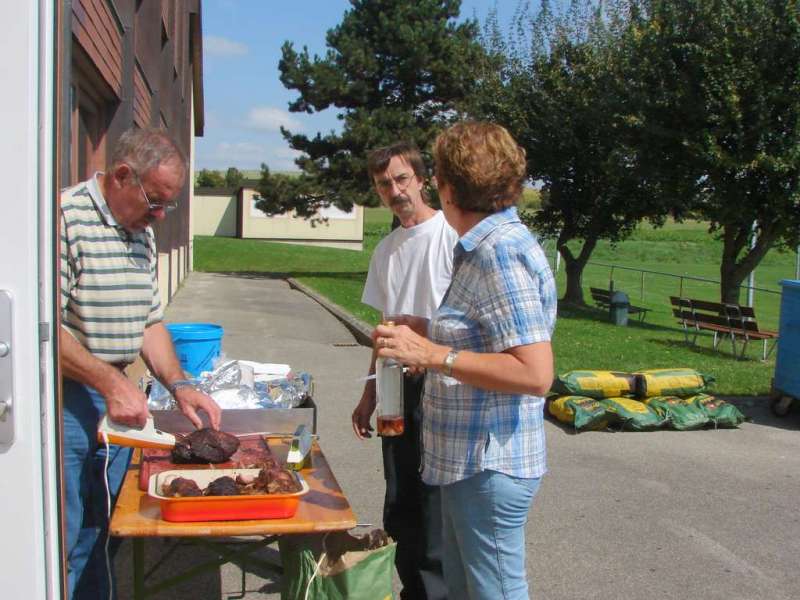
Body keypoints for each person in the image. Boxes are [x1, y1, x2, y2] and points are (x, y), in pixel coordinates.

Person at [373, 121, 557, 600]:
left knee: (494, 591)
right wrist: (426, 328)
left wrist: (434, 353)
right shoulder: (479, 247)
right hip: (463, 463)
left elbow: (535, 373)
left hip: (489, 466)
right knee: (459, 589)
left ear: (451, 187)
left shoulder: (500, 252)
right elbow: (491, 336)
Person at [60, 128, 222, 599]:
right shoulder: (63, 217)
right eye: (154, 201)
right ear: (122, 176)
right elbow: (42, 326)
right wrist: (109, 382)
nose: (159, 215)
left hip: (118, 395)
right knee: (65, 529)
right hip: (69, 394)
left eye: (166, 204)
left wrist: (180, 385)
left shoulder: (140, 234)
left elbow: (151, 323)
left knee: (106, 525)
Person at [351, 141, 458, 599]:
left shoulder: (450, 236)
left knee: (434, 497)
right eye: (383, 184)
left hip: (440, 383)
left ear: (422, 179)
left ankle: (436, 592)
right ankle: (411, 589)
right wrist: (369, 393)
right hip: (395, 384)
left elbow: (466, 323)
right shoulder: (387, 249)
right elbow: (383, 328)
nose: (394, 190)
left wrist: (426, 337)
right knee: (399, 497)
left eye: (401, 179)